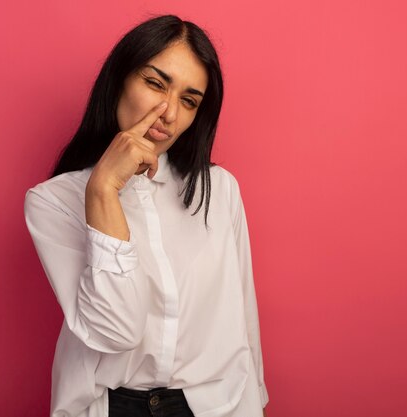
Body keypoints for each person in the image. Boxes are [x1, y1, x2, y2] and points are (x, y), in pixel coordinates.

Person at [24, 14, 268, 417]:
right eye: (155, 83)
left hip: (213, 406)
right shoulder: (53, 201)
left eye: (188, 100)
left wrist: (254, 402)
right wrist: (103, 190)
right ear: (119, 80)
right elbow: (114, 330)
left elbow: (243, 318)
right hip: (110, 406)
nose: (168, 113)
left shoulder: (219, 190)